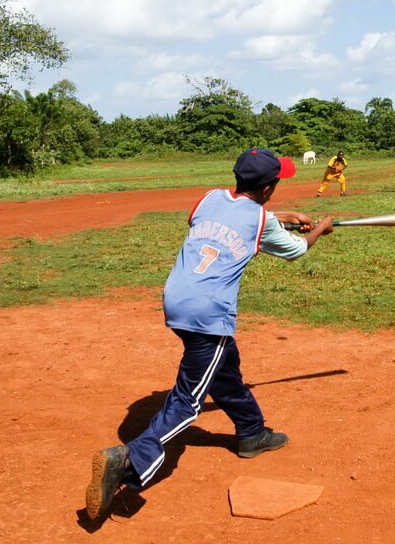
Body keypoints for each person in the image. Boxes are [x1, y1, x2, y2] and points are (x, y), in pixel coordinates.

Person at [85, 147, 334, 521]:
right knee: (188, 398)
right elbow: (296, 250)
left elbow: (235, 220)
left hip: (177, 301)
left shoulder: (211, 198)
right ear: (268, 189)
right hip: (208, 312)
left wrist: (283, 216)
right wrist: (318, 229)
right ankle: (129, 461)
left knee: (224, 368)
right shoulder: (262, 221)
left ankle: (252, 433)